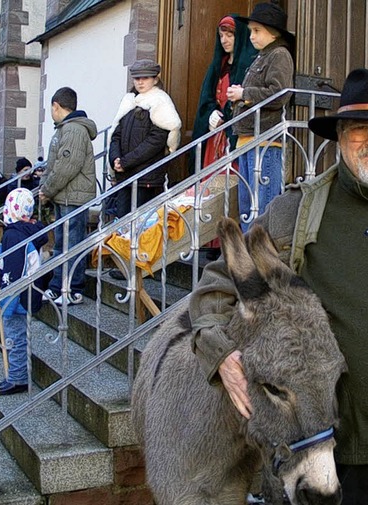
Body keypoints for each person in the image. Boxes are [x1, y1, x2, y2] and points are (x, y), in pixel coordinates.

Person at [189, 68, 368, 504]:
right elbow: (215, 288)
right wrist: (221, 355)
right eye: (360, 128)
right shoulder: (297, 213)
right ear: (340, 136)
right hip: (337, 455)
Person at [226, 2, 294, 231]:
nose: (252, 36)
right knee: (248, 207)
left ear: (273, 32)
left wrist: (244, 94)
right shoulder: (262, 57)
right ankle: (248, 260)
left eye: (257, 31)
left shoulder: (279, 55)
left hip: (265, 141)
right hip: (249, 139)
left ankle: (261, 260)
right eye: (251, 31)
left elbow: (280, 94)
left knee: (262, 207)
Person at [39, 87, 97, 305]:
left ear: (56, 105)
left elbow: (66, 167)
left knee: (71, 244)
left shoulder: (73, 130)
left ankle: (71, 289)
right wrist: (45, 187)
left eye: (51, 108)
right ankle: (58, 286)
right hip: (65, 197)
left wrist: (47, 190)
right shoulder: (66, 128)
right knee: (62, 244)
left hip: (73, 198)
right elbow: (54, 163)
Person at [0, 188, 48, 395]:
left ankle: (18, 378)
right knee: (17, 335)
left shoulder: (14, 235)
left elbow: (14, 269)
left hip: (17, 296)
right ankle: (16, 375)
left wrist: (6, 301)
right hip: (27, 293)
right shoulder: (26, 231)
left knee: (15, 337)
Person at [108, 58, 182, 219]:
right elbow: (116, 135)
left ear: (155, 79)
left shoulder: (160, 102)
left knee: (142, 225)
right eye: (137, 78)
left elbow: (156, 141)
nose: (140, 82)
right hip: (125, 176)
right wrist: (115, 159)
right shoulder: (129, 102)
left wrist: (126, 162)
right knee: (122, 225)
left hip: (146, 177)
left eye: (145, 78)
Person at [192, 15, 257, 169]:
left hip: (235, 134)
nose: (224, 40)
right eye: (221, 36)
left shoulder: (249, 66)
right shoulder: (218, 65)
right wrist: (210, 113)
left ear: (240, 36)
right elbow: (207, 97)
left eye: (229, 35)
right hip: (215, 135)